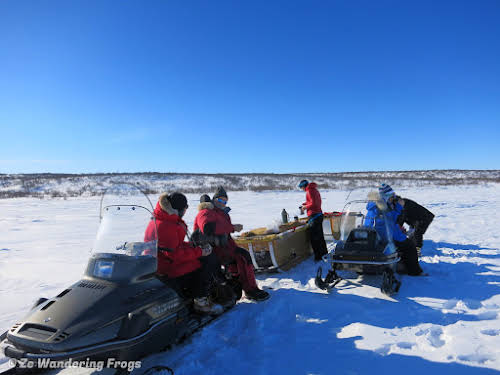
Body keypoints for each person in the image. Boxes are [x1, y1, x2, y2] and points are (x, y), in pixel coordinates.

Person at [144, 192, 223, 315]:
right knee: (204, 263)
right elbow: (175, 254)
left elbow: (174, 245)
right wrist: (200, 252)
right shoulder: (167, 225)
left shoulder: (162, 218)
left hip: (160, 261)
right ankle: (200, 301)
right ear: (179, 209)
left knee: (201, 257)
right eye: (185, 208)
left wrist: (192, 246)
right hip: (166, 266)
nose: (186, 211)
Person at [193, 186, 270, 301]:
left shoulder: (221, 213)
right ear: (214, 200)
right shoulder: (207, 211)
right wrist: (232, 227)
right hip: (214, 249)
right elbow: (208, 228)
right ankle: (250, 289)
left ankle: (236, 283)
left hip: (224, 246)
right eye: (220, 200)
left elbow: (223, 232)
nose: (222, 203)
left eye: (225, 201)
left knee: (240, 258)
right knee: (243, 256)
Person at [365, 184, 425, 276]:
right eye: (391, 195)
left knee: (403, 244)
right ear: (386, 196)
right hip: (387, 235)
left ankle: (401, 264)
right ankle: (415, 272)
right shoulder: (382, 206)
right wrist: (399, 207)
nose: (393, 198)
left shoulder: (374, 205)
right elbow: (391, 222)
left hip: (375, 235)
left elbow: (373, 223)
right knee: (410, 247)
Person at [298, 180, 327, 261]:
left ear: (304, 186)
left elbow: (314, 203)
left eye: (301, 187)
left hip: (314, 216)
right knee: (320, 237)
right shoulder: (314, 189)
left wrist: (305, 207)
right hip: (318, 215)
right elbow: (312, 201)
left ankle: (318, 257)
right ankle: (324, 253)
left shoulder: (309, 191)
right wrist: (305, 204)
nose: (302, 189)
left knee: (314, 238)